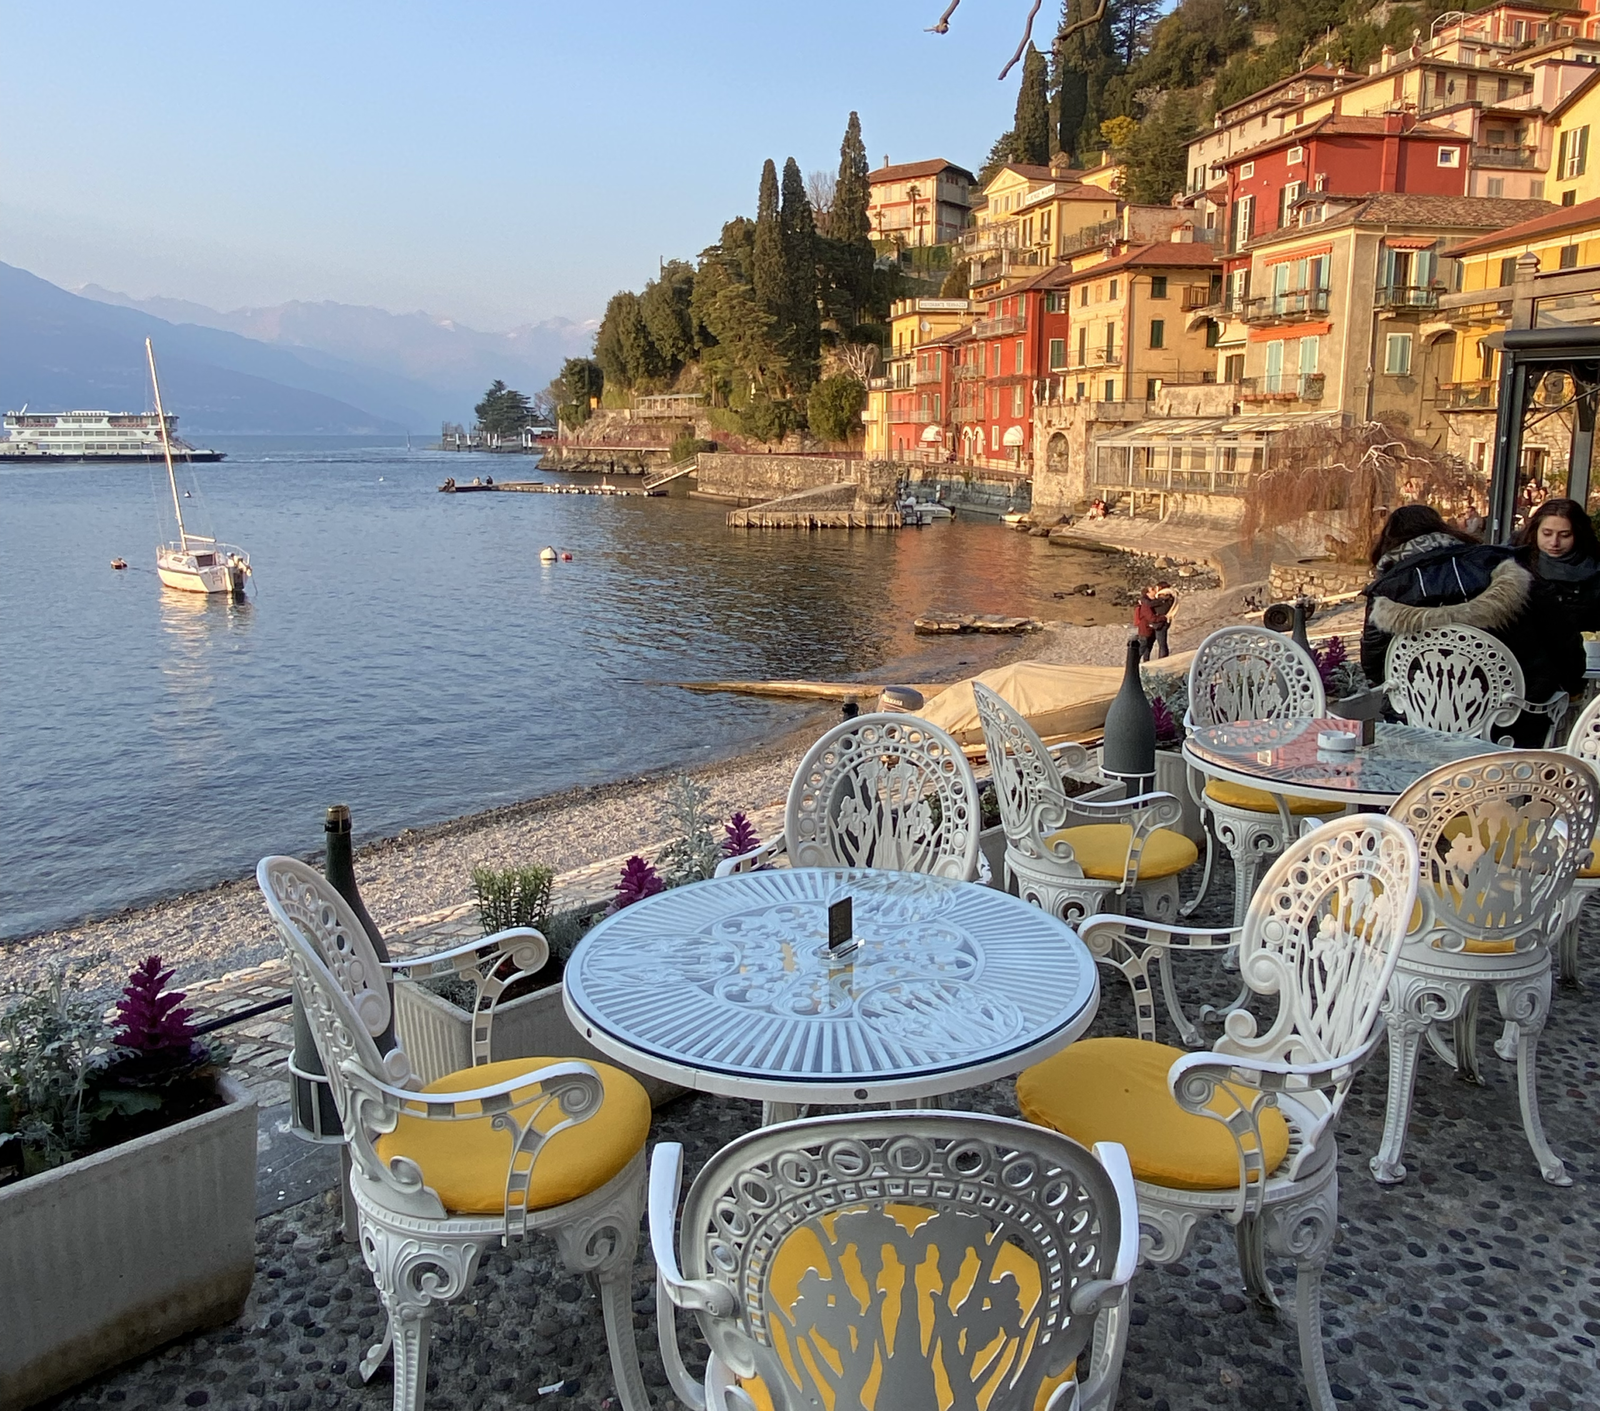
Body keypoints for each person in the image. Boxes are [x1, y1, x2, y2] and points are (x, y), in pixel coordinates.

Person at [1360, 504, 1582, 745]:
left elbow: (1374, 667)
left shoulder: (1386, 592)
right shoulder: (1503, 566)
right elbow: (1563, 640)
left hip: (1419, 724)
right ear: (1444, 530)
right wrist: (1572, 685)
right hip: (1517, 722)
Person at [1514, 496, 1600, 633]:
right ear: (1535, 531)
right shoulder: (1513, 560)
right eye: (1547, 534)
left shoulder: (1595, 570)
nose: (1554, 542)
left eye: (1565, 535)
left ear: (1579, 534)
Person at [1134, 581, 1177, 661]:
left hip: (1159, 624)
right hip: (1154, 625)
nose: (1155, 590)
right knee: (1150, 645)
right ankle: (1150, 662)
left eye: (1156, 588)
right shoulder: (1169, 596)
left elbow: (1150, 606)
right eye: (1153, 589)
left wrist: (1142, 599)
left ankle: (1160, 661)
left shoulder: (1163, 597)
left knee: (1158, 644)